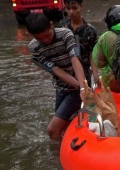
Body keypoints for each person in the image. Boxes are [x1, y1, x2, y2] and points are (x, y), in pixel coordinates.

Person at [26, 13, 87, 141]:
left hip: (78, 85)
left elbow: (75, 59)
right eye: (40, 39)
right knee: (62, 128)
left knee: (52, 129)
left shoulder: (65, 34)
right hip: (61, 87)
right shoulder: (34, 47)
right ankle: (63, 152)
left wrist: (82, 88)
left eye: (47, 35)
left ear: (51, 25)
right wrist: (78, 86)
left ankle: (59, 157)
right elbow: (55, 69)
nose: (45, 41)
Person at [59, 0, 99, 87]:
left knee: (86, 100)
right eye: (68, 9)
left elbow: (92, 54)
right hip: (66, 75)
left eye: (74, 8)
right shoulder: (62, 27)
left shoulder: (90, 30)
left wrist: (95, 74)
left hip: (84, 73)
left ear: (81, 7)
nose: (71, 12)